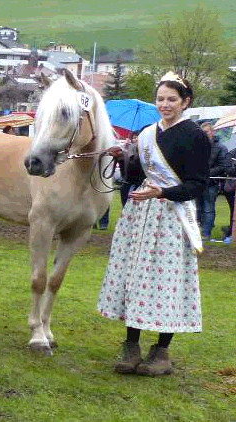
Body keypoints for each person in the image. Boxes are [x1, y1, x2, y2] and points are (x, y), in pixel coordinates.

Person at [99, 72, 209, 377]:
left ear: (185, 102)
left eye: (172, 99)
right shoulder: (148, 133)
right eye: (160, 99)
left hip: (172, 218)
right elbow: (135, 177)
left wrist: (163, 191)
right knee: (135, 277)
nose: (165, 104)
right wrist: (123, 158)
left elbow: (197, 184)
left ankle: (161, 351)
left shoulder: (195, 136)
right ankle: (130, 345)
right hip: (142, 216)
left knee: (167, 282)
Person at [196, 121, 225, 241]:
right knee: (198, 208)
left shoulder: (220, 147)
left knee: (208, 209)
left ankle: (206, 233)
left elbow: (223, 166)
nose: (204, 134)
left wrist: (207, 173)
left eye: (206, 132)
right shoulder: (197, 146)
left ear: (212, 132)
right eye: (202, 132)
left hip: (211, 183)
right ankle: (198, 232)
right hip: (198, 182)